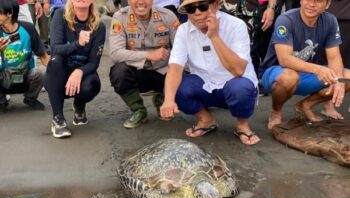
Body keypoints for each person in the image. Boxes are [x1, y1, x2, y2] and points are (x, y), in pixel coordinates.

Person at [160, 0, 260, 145]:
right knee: (172, 90)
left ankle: (242, 124)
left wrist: (214, 36)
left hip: (233, 84)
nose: (197, 12)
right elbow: (175, 67)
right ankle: (205, 119)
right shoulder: (183, 30)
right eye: (190, 9)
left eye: (203, 6)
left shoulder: (236, 25)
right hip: (204, 85)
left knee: (242, 88)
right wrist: (168, 100)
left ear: (216, 5)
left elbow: (238, 70)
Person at [259, 0, 350, 130]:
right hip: (276, 73)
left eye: (318, 1)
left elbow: (334, 57)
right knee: (289, 77)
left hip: (307, 74)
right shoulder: (286, 19)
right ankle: (276, 111)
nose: (312, 4)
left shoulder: (330, 20)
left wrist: (340, 81)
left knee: (347, 78)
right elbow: (285, 60)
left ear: (328, 5)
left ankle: (305, 105)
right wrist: (318, 69)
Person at [109, 0, 179, 128]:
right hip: (138, 72)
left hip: (165, 72)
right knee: (118, 72)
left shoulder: (168, 15)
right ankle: (138, 110)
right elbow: (115, 53)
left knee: (182, 71)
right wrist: (148, 55)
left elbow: (181, 49)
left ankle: (162, 98)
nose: (140, 2)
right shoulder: (120, 17)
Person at [44, 0, 106, 138]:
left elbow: (94, 62)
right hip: (59, 75)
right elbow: (55, 49)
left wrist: (79, 71)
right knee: (56, 61)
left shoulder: (99, 26)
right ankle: (58, 118)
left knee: (92, 85)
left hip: (81, 74)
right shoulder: (60, 16)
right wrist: (77, 43)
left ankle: (79, 104)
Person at [0, 0, 49, 111]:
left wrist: (57, 76)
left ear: (9, 13)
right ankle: (1, 101)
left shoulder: (28, 28)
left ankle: (30, 98)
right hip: (3, 79)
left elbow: (43, 55)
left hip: (25, 76)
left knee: (42, 71)